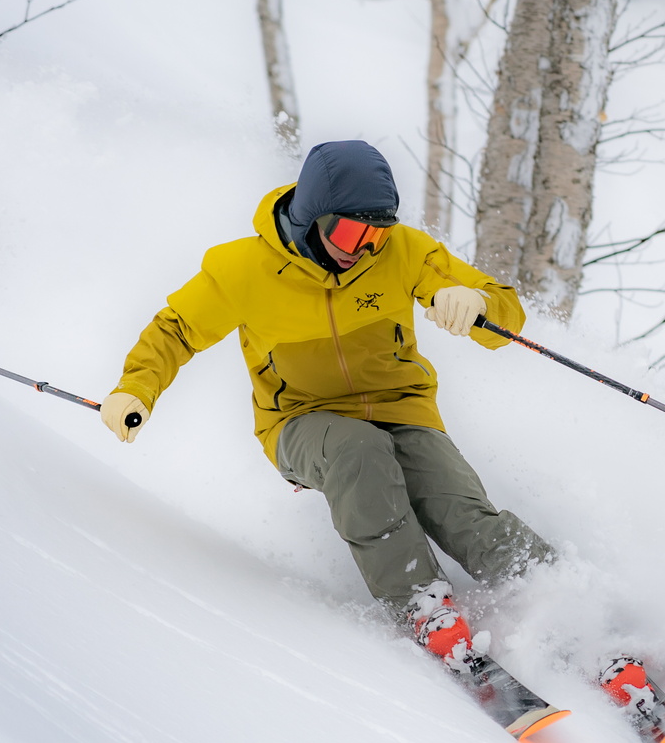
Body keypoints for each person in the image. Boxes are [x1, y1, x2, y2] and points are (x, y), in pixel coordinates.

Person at [101, 139, 556, 669]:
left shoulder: (404, 252)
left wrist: (476, 302)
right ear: (314, 215)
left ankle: (552, 593)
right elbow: (175, 330)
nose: (363, 247)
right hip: (300, 420)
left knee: (459, 510)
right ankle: (421, 603)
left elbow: (505, 313)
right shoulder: (242, 269)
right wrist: (136, 387)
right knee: (359, 449)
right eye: (350, 231)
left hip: (404, 409)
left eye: (376, 233)